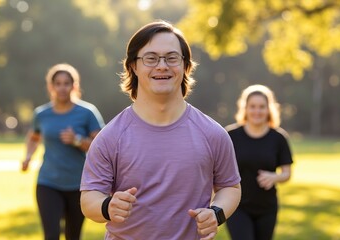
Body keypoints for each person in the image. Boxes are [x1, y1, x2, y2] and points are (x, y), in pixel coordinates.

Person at [80, 20, 241, 240]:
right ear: (133, 67)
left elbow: (230, 186)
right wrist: (108, 206)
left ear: (185, 66)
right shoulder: (111, 136)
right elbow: (89, 197)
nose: (162, 66)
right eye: (151, 58)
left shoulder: (213, 133)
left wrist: (216, 213)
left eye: (172, 58)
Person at [21, 63, 105, 240]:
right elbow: (33, 137)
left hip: (78, 184)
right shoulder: (41, 114)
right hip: (48, 182)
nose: (62, 87)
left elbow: (102, 146)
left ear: (74, 86)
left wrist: (77, 140)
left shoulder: (87, 112)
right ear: (51, 87)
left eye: (66, 83)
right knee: (51, 235)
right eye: (57, 83)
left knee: (72, 236)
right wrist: (28, 156)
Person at [225, 84, 293, 240]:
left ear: (269, 109)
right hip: (237, 206)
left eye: (262, 107)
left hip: (267, 208)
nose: (257, 111)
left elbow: (287, 173)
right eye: (253, 106)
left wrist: (274, 177)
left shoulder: (278, 138)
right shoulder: (230, 135)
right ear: (245, 109)